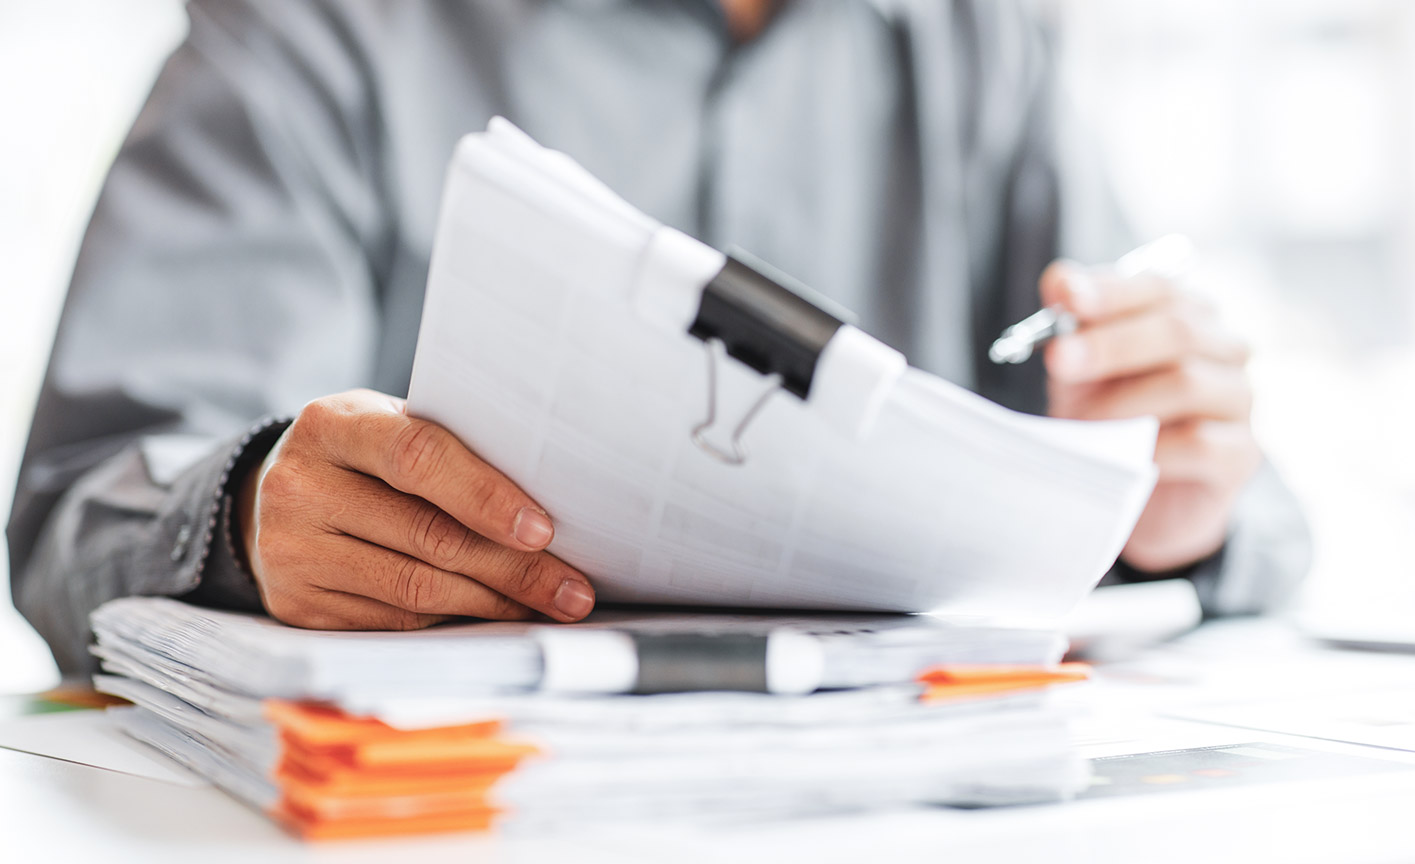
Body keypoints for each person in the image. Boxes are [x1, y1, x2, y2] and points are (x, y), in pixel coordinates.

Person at [8, 0, 1310, 676]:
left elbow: (1235, 499)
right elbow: (84, 502)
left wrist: (1178, 500)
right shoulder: (315, 34)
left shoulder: (982, 41)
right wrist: (247, 520)